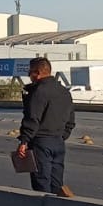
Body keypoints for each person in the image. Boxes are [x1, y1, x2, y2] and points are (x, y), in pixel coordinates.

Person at [17, 57, 76, 196]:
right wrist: (61, 136)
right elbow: (71, 120)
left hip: (41, 142)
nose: (29, 76)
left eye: (29, 72)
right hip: (58, 142)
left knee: (41, 183)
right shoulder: (64, 91)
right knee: (56, 183)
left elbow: (32, 119)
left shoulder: (39, 91)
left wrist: (24, 141)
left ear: (36, 73)